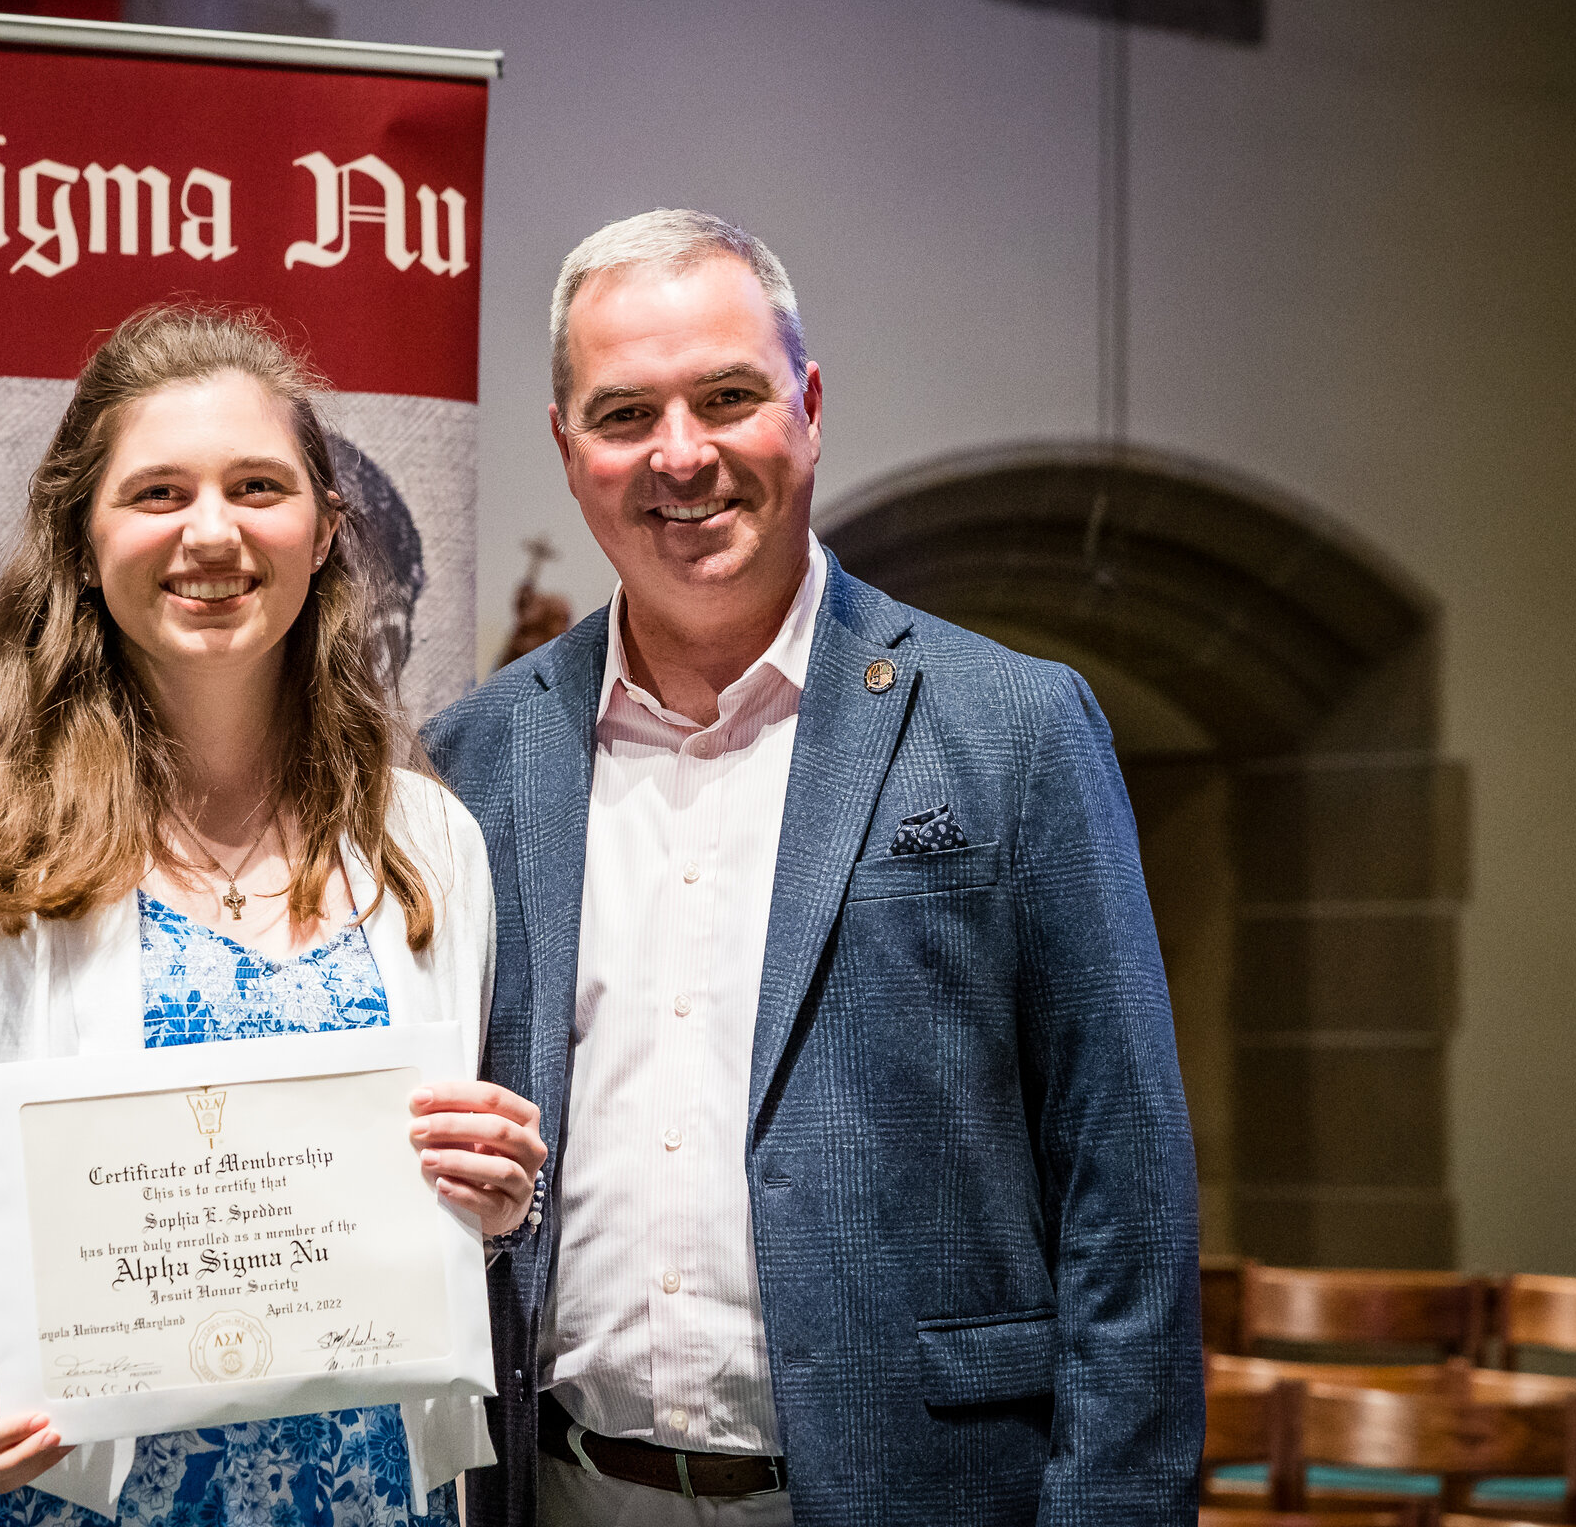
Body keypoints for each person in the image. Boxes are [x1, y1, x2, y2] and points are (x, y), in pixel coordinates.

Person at [424, 211, 1204, 1526]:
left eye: (728, 397)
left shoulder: (1011, 731)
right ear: (568, 448)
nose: (683, 455)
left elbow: (1125, 1196)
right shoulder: (475, 761)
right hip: (560, 1486)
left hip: (917, 1491)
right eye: (624, 415)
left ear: (810, 406)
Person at [0, 304, 548, 1527]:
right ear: (78, 536)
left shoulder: (426, 842)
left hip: (369, 1503)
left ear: (326, 532)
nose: (212, 532)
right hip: (48, 1499)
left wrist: (480, 1209)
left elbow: (401, 1222)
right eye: (158, 492)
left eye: (259, 486)